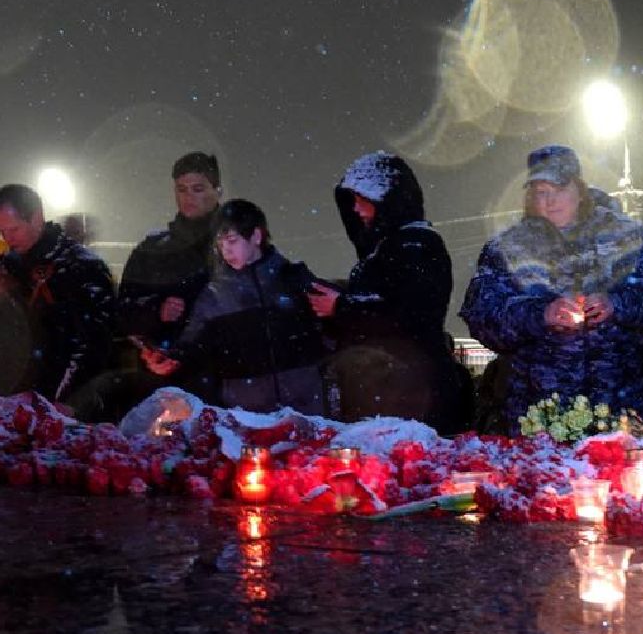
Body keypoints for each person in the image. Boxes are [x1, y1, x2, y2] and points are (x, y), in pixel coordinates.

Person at [460, 145, 643, 432]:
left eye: (559, 188)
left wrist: (618, 303)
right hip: (538, 417)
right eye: (541, 191)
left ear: (579, 188)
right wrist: (540, 314)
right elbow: (482, 313)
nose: (550, 200)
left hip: (618, 414)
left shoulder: (624, 236)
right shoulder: (508, 248)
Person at [309, 149, 473, 432]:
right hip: (389, 393)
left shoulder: (416, 245)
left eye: (363, 201)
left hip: (409, 396)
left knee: (410, 471)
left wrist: (341, 307)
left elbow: (411, 315)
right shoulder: (389, 248)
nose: (357, 210)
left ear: (389, 201)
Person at [142, 199, 329, 414]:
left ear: (257, 237)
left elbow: (331, 326)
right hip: (246, 417)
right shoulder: (214, 297)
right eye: (220, 244)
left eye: (231, 240)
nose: (226, 251)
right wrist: (169, 359)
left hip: (306, 411)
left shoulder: (293, 281)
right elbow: (192, 347)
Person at [0, 184, 115, 407]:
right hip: (4, 403)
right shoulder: (0, 268)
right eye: (1, 231)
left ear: (37, 217)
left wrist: (70, 400)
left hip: (56, 404)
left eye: (14, 229)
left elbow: (94, 343)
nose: (8, 238)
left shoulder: (80, 267)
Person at [116, 151, 223, 354]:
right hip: (170, 371)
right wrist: (156, 312)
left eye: (197, 189)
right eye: (182, 189)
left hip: (228, 372)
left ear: (217, 191)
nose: (188, 197)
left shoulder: (238, 246)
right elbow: (123, 313)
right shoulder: (152, 251)